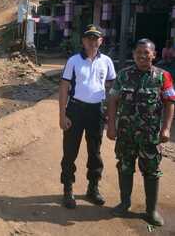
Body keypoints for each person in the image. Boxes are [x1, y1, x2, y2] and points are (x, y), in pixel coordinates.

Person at [107, 38, 175, 226]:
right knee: (125, 167)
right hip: (125, 134)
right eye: (139, 52)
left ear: (154, 55)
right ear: (133, 54)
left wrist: (166, 128)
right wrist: (111, 125)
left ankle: (151, 210)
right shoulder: (123, 75)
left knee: (152, 172)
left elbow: (170, 103)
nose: (142, 56)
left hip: (150, 136)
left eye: (147, 52)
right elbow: (112, 100)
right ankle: (124, 203)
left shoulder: (163, 76)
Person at [59, 25, 116, 208]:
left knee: (95, 152)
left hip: (96, 112)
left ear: (101, 41)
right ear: (83, 41)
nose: (92, 41)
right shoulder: (74, 61)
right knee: (70, 151)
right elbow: (64, 88)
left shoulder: (106, 61)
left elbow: (111, 88)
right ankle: (68, 189)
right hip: (75, 110)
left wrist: (108, 111)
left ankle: (93, 188)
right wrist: (62, 115)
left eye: (95, 38)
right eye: (88, 38)